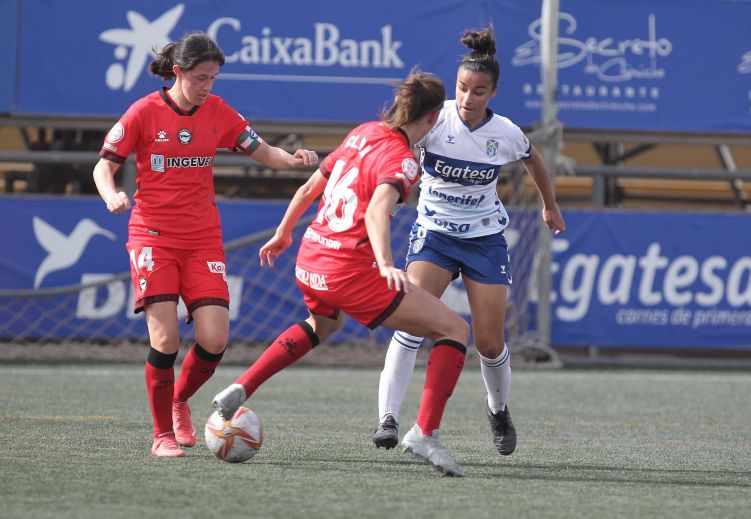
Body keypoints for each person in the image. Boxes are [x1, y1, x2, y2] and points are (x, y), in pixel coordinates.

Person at [211, 70, 472, 477]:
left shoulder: (363, 131)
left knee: (323, 325)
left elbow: (308, 189)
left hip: (310, 258)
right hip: (348, 271)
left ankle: (244, 384)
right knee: (454, 330)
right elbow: (375, 210)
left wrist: (283, 233)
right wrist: (386, 264)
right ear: (433, 117)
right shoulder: (402, 161)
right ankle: (425, 433)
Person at [92, 32, 319, 457]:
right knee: (165, 341)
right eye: (200, 78)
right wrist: (112, 195)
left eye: (213, 78)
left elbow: (262, 150)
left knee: (214, 339)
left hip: (202, 239)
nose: (208, 86)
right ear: (177, 72)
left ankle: (179, 400)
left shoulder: (217, 112)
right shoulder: (143, 112)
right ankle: (162, 435)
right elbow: (104, 166)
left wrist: (291, 160)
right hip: (153, 237)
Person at [372, 26, 566, 456]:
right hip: (435, 235)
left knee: (490, 343)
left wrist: (548, 205)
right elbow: (391, 142)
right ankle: (387, 418)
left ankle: (497, 408)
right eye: (461, 88)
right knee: (409, 324)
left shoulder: (506, 133)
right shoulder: (433, 119)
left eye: (478, 91)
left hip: (484, 240)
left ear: (493, 92)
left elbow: (533, 159)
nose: (467, 98)